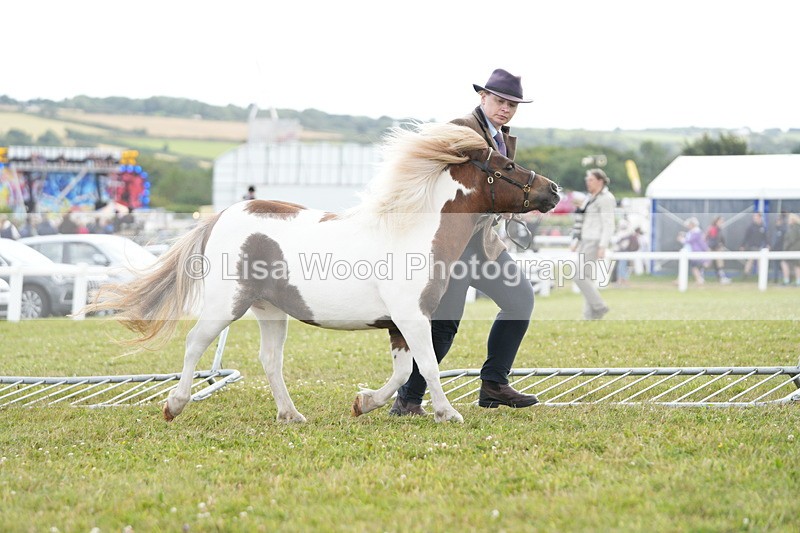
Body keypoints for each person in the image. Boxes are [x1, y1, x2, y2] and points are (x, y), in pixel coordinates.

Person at [390, 68, 539, 416]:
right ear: (483, 97)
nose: (505, 109)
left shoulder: (501, 137)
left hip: (483, 244)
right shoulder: (461, 131)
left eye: (512, 104)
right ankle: (408, 400)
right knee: (444, 328)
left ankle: (493, 385)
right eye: (500, 101)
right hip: (452, 246)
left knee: (520, 301)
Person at [570, 168, 616, 319]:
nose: (587, 182)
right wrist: (576, 240)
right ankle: (590, 315)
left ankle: (599, 306)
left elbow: (608, 223)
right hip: (586, 239)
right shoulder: (590, 197)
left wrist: (603, 245)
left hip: (594, 240)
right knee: (586, 277)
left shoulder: (606, 198)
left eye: (590, 179)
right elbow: (582, 220)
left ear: (600, 181)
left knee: (579, 276)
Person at [679, 217, 710, 284]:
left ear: (692, 224)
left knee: (695, 266)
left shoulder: (696, 232)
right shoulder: (693, 232)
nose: (688, 226)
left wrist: (681, 239)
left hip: (696, 252)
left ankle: (699, 280)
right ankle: (699, 279)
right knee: (694, 266)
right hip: (693, 252)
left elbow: (690, 241)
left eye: (689, 224)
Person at [611, 218, 638, 286]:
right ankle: (622, 280)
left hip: (622, 252)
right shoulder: (623, 233)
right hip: (621, 252)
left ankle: (622, 280)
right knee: (622, 266)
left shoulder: (624, 233)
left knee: (622, 266)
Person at [705, 216, 732, 284]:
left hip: (715, 249)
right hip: (712, 249)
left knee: (718, 265)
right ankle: (700, 277)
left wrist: (721, 245)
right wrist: (717, 247)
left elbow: (720, 239)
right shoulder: (714, 228)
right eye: (721, 221)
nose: (722, 222)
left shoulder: (718, 229)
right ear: (717, 221)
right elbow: (712, 240)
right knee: (708, 263)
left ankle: (721, 278)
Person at [740, 212, 767, 277]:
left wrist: (768, 244)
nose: (755, 218)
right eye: (754, 217)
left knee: (760, 262)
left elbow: (765, 237)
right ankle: (746, 274)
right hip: (752, 246)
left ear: (760, 218)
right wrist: (742, 245)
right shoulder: (751, 227)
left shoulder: (762, 227)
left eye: (757, 217)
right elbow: (746, 237)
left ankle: (761, 276)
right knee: (750, 260)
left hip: (759, 247)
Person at [770, 212, 790, 285]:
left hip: (781, 250)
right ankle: (776, 279)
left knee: (783, 265)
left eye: (779, 220)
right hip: (775, 251)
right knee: (775, 266)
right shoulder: (775, 230)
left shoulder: (783, 230)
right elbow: (773, 241)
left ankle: (785, 279)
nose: (777, 222)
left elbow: (782, 241)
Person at [783, 213, 800, 287]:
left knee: (784, 263)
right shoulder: (797, 227)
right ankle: (797, 281)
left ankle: (787, 281)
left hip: (793, 249)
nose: (788, 220)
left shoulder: (794, 228)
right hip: (796, 249)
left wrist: (785, 248)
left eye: (789, 219)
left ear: (793, 220)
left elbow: (791, 239)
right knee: (797, 266)